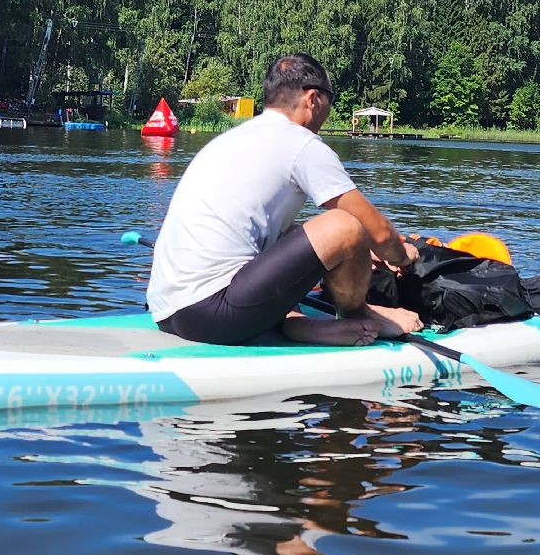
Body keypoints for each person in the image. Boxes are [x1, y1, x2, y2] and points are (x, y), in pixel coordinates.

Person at [147, 53, 422, 347]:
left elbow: (281, 237)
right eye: (331, 99)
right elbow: (374, 229)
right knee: (346, 224)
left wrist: (366, 252)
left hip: (167, 311)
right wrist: (402, 256)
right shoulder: (302, 144)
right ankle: (357, 315)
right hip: (215, 315)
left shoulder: (234, 139)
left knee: (293, 231)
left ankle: (294, 322)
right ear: (313, 98)